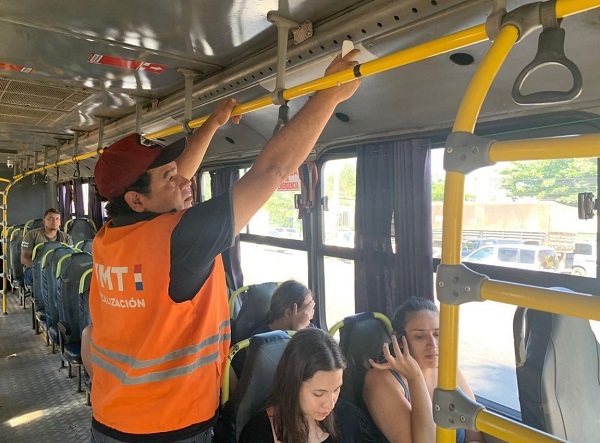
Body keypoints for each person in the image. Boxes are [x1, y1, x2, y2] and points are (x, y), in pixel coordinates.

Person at [87, 50, 361, 443]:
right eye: (169, 179)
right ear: (137, 200)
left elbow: (178, 176)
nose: (184, 182)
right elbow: (272, 169)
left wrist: (213, 125)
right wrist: (331, 94)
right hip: (170, 429)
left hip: (111, 419)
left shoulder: (110, 235)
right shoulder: (180, 239)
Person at [363, 298, 485, 443]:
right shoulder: (381, 380)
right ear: (401, 341)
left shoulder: (447, 369)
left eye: (437, 334)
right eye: (420, 336)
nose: (432, 345)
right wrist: (415, 378)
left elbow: (474, 435)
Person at [239, 328, 375, 443]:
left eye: (336, 390)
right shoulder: (260, 434)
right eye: (318, 393)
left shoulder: (351, 420)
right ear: (293, 385)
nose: (330, 404)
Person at [231, 280, 316, 381]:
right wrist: (298, 331)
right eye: (306, 311)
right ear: (289, 313)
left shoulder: (310, 329)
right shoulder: (262, 341)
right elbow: (289, 374)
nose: (310, 316)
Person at [21, 208, 73, 286]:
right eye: (50, 219)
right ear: (44, 221)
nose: (54, 221)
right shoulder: (32, 235)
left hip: (58, 269)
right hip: (35, 269)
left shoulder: (66, 237)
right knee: (45, 278)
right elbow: (24, 259)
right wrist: (42, 269)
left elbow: (70, 257)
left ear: (60, 222)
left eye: (57, 219)